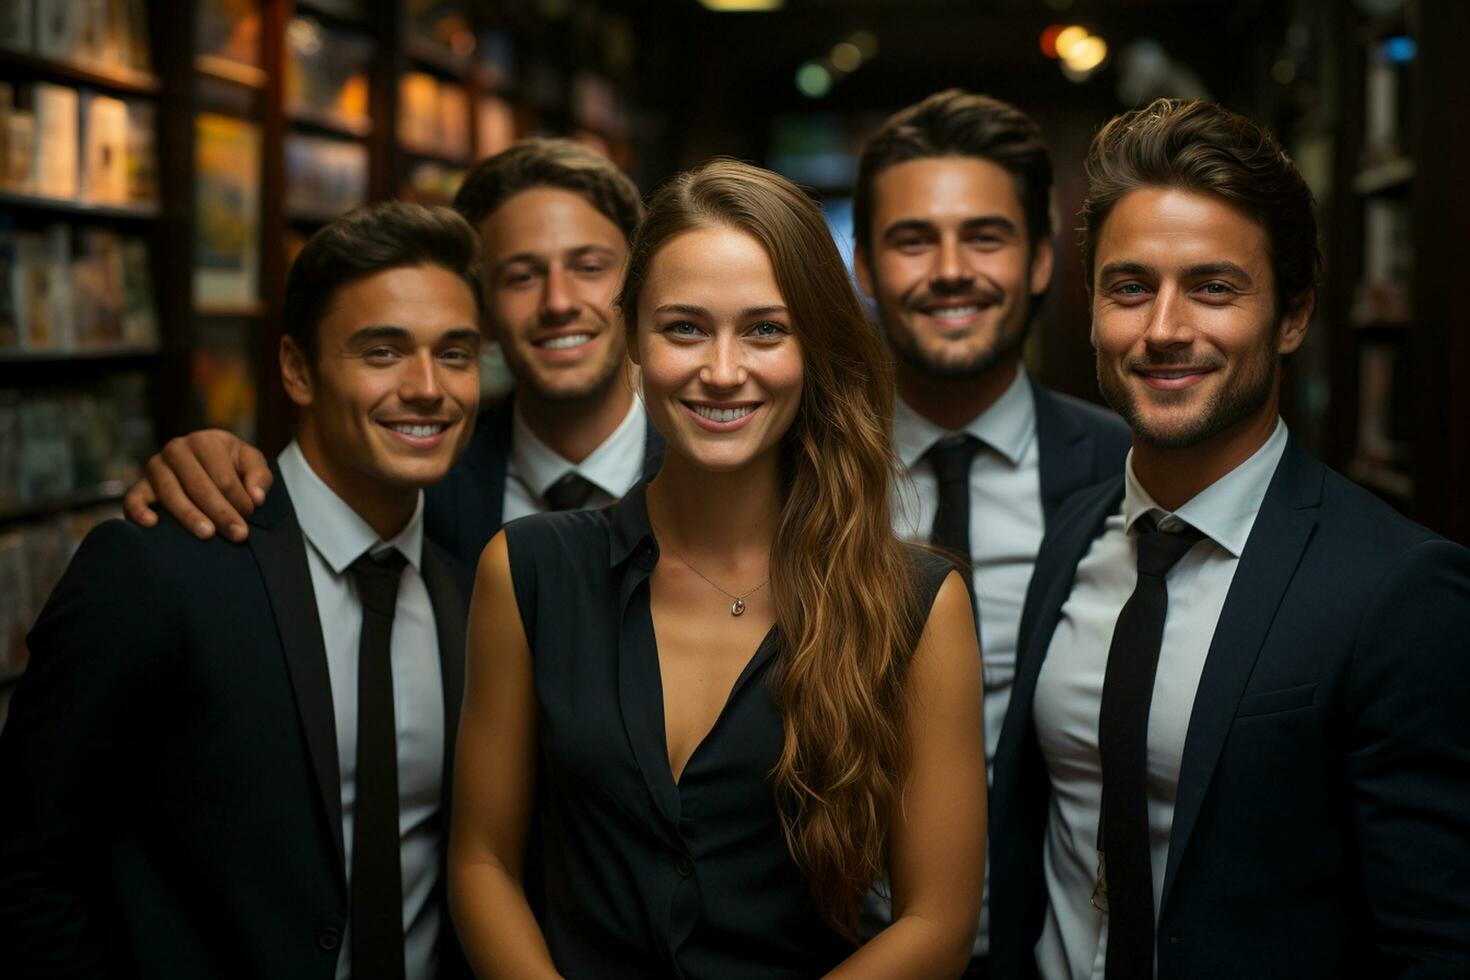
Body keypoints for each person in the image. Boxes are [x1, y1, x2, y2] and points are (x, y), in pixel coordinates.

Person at [449, 160, 987, 979]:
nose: (724, 370)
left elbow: (938, 923)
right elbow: (482, 860)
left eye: (766, 330)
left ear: (816, 346)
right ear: (631, 334)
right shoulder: (526, 570)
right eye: (685, 328)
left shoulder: (915, 604)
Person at [987, 99, 1470, 980]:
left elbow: (1434, 944)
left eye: (1214, 287)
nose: (1165, 328)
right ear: (1091, 312)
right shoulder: (1072, 536)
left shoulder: (1401, 589)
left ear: (1291, 319)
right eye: (1130, 287)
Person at [0, 202, 484, 980]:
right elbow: (25, 866)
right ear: (296, 368)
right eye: (383, 351)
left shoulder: (473, 595)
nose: (428, 387)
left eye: (455, 354)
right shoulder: (159, 568)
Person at [852, 89, 1130, 973]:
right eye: (911, 240)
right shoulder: (797, 473)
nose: (950, 270)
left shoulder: (1128, 470)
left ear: (1043, 259)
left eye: (985, 236)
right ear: (862, 266)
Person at [120, 138, 660, 562]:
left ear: (637, 288)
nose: (559, 301)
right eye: (520, 276)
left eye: (590, 268)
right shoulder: (417, 475)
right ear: (482, 314)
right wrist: (206, 459)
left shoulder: (722, 472)